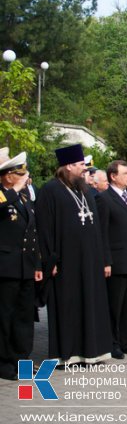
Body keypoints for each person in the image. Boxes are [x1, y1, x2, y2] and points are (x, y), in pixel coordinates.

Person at [35, 144, 112, 365]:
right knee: (68, 308)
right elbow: (44, 229)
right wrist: (50, 260)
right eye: (81, 165)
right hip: (65, 262)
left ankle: (91, 352)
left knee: (91, 304)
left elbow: (97, 228)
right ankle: (66, 354)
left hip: (89, 261)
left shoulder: (83, 190)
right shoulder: (50, 191)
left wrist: (102, 259)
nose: (85, 170)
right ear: (69, 166)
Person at [95, 160, 127, 359]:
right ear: (113, 176)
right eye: (125, 173)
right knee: (114, 306)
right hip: (116, 261)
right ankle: (112, 342)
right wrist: (106, 260)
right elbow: (102, 233)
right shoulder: (104, 199)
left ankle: (126, 341)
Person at [0, 152, 42, 379]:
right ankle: (4, 362)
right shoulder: (6, 195)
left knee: (24, 317)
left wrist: (37, 264)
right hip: (6, 267)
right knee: (5, 316)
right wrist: (14, 190)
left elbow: (32, 232)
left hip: (25, 266)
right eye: (19, 173)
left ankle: (21, 360)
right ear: (7, 176)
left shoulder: (24, 197)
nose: (24, 177)